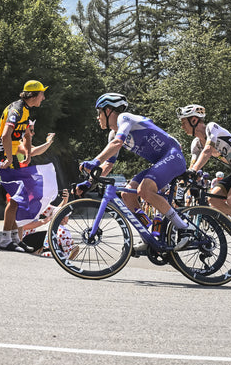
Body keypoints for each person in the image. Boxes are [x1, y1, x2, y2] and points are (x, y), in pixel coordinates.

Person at [82, 93, 196, 251]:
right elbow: (108, 166)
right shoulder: (113, 134)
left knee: (144, 190)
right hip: (161, 162)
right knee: (128, 195)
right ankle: (149, 234)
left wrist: (95, 161)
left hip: (173, 156)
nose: (98, 117)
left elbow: (117, 143)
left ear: (108, 110)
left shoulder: (124, 118)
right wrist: (88, 182)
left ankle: (185, 228)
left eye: (99, 112)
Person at [178, 104, 231, 253]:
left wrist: (193, 170)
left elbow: (208, 150)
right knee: (213, 198)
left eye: (183, 122)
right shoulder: (196, 144)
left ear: (193, 120)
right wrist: (184, 179)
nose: (182, 127)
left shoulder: (212, 128)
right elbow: (193, 165)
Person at [0, 80, 49, 251]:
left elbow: (27, 135)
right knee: (15, 198)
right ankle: (6, 239)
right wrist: (9, 159)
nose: (43, 97)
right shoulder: (16, 108)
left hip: (12, 157)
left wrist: (29, 154)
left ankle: (15, 238)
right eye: (42, 94)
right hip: (2, 157)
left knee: (21, 197)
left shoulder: (25, 110)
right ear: (33, 95)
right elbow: (5, 136)